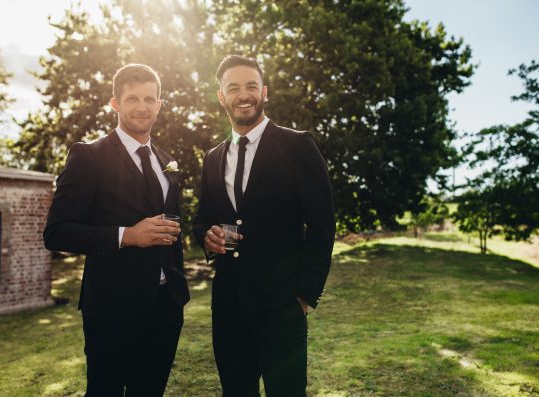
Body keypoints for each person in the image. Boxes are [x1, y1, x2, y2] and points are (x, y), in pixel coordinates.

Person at [193, 55, 335, 396]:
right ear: (221, 96)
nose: (244, 95)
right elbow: (203, 218)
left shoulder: (297, 145)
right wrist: (206, 237)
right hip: (228, 306)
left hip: (282, 306)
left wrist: (303, 295)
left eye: (251, 86)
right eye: (234, 88)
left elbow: (322, 223)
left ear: (264, 92)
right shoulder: (213, 158)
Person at [44, 63, 190, 396]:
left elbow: (172, 228)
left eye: (150, 99)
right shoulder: (88, 156)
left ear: (159, 105)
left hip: (166, 306)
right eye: (133, 98)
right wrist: (127, 235)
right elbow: (57, 232)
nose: (142, 106)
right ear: (115, 103)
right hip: (112, 310)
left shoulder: (167, 160)